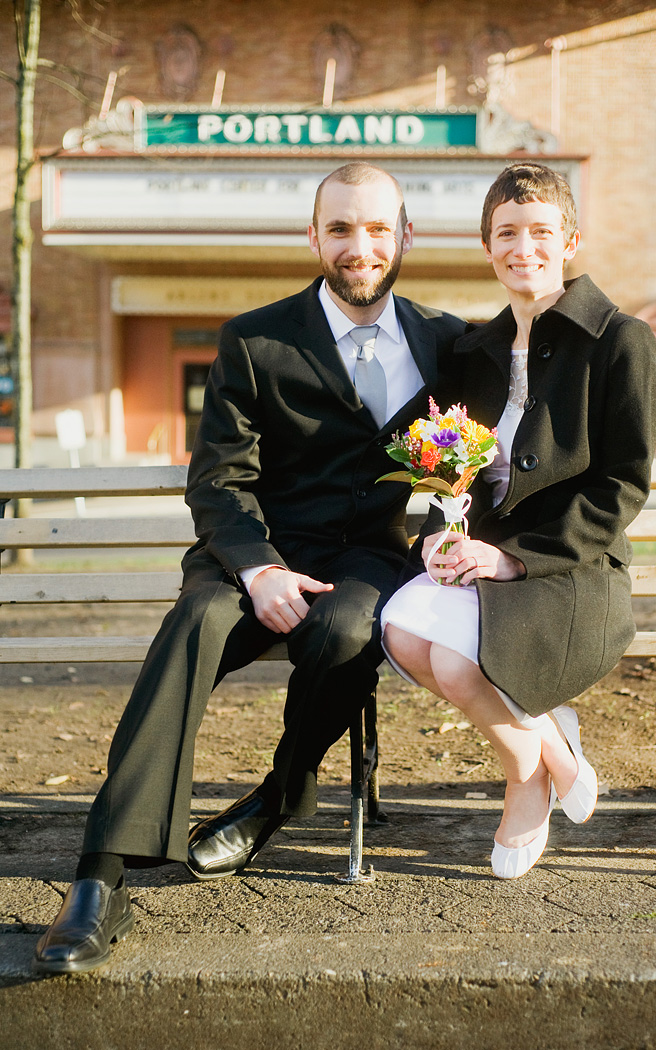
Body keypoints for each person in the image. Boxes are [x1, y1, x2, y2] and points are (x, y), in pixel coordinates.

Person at [34, 162, 465, 973]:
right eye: (340, 229)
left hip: (365, 559)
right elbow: (219, 479)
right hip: (253, 549)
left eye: (378, 228)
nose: (359, 246)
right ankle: (103, 873)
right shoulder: (255, 337)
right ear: (313, 237)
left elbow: (480, 451)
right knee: (194, 622)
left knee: (346, 628)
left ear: (408, 235)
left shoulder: (448, 342)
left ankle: (282, 795)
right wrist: (259, 569)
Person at [382, 162, 656, 880]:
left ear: (570, 241)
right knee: (403, 630)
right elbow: (446, 466)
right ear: (488, 246)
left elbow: (623, 485)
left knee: (451, 657)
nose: (523, 247)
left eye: (541, 231)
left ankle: (523, 775)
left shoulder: (619, 340)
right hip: (484, 564)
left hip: (572, 571)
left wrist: (514, 560)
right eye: (507, 232)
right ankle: (548, 744)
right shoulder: (471, 353)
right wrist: (441, 536)